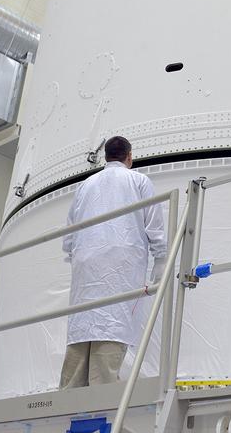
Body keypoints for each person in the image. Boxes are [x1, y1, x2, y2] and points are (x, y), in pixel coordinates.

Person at [60, 136, 166, 389]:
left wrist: (75, 255)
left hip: (86, 270)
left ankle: (66, 408)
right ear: (129, 156)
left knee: (80, 340)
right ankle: (100, 410)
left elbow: (69, 236)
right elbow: (155, 226)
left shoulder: (86, 185)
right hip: (122, 270)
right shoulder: (138, 181)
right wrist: (161, 259)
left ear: (106, 156)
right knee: (109, 339)